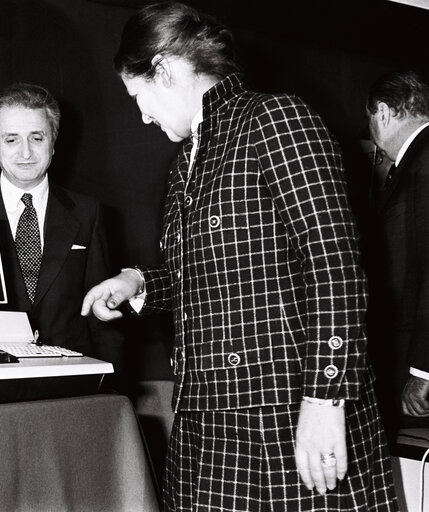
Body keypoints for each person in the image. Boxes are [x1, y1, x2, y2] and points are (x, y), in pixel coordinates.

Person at [81, 3, 397, 510]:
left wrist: (324, 399)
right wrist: (140, 283)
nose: (140, 114)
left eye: (138, 95)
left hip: (282, 424)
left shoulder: (275, 119)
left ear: (162, 68)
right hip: (205, 432)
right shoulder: (186, 160)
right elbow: (214, 280)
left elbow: (333, 262)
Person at [0, 82, 124, 380]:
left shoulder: (88, 213)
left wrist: (110, 388)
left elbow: (103, 319)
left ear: (53, 141)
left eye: (37, 137)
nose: (26, 153)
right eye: (11, 140)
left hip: (72, 382)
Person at [365, 70, 429, 435]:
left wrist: (422, 370)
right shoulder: (414, 164)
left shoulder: (425, 161)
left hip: (414, 366)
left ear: (384, 113)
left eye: (369, 118)